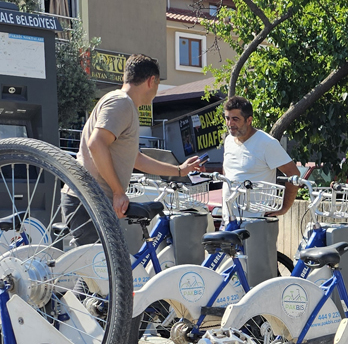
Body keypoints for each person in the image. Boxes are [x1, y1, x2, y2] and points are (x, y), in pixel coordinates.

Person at [68, 54, 202, 244]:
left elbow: (136, 158)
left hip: (91, 200)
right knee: (103, 272)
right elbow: (96, 144)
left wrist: (179, 170)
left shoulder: (122, 103)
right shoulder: (122, 103)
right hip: (90, 200)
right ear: (151, 81)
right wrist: (118, 192)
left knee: (109, 271)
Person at [221, 95, 297, 217]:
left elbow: (293, 174)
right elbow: (228, 173)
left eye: (235, 119)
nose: (230, 123)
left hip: (257, 221)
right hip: (229, 219)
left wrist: (284, 208)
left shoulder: (266, 143)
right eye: (227, 118)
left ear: (249, 120)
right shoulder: (229, 140)